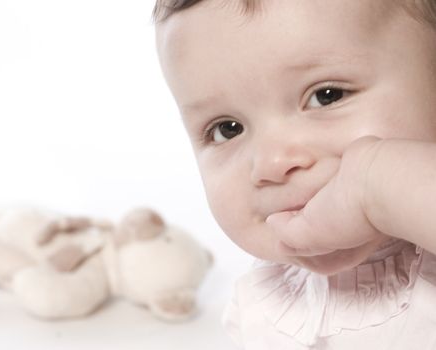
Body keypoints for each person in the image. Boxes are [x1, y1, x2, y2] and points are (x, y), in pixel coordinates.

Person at [153, 0, 436, 348]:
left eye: (326, 95)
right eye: (228, 129)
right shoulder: (262, 303)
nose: (272, 162)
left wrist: (376, 183)